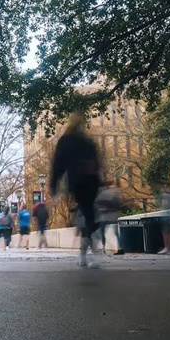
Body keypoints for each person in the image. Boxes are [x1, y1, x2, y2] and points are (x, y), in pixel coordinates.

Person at [50, 111, 102, 268]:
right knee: (89, 216)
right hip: (90, 182)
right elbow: (97, 162)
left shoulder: (66, 141)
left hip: (78, 183)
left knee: (87, 217)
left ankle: (85, 254)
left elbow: (58, 164)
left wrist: (54, 184)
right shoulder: (87, 141)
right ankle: (87, 254)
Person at [95, 182, 123, 255]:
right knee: (102, 233)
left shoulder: (112, 197)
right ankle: (104, 247)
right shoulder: (101, 197)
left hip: (110, 217)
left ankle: (118, 247)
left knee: (114, 232)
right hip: (105, 217)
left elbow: (117, 207)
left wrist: (106, 210)